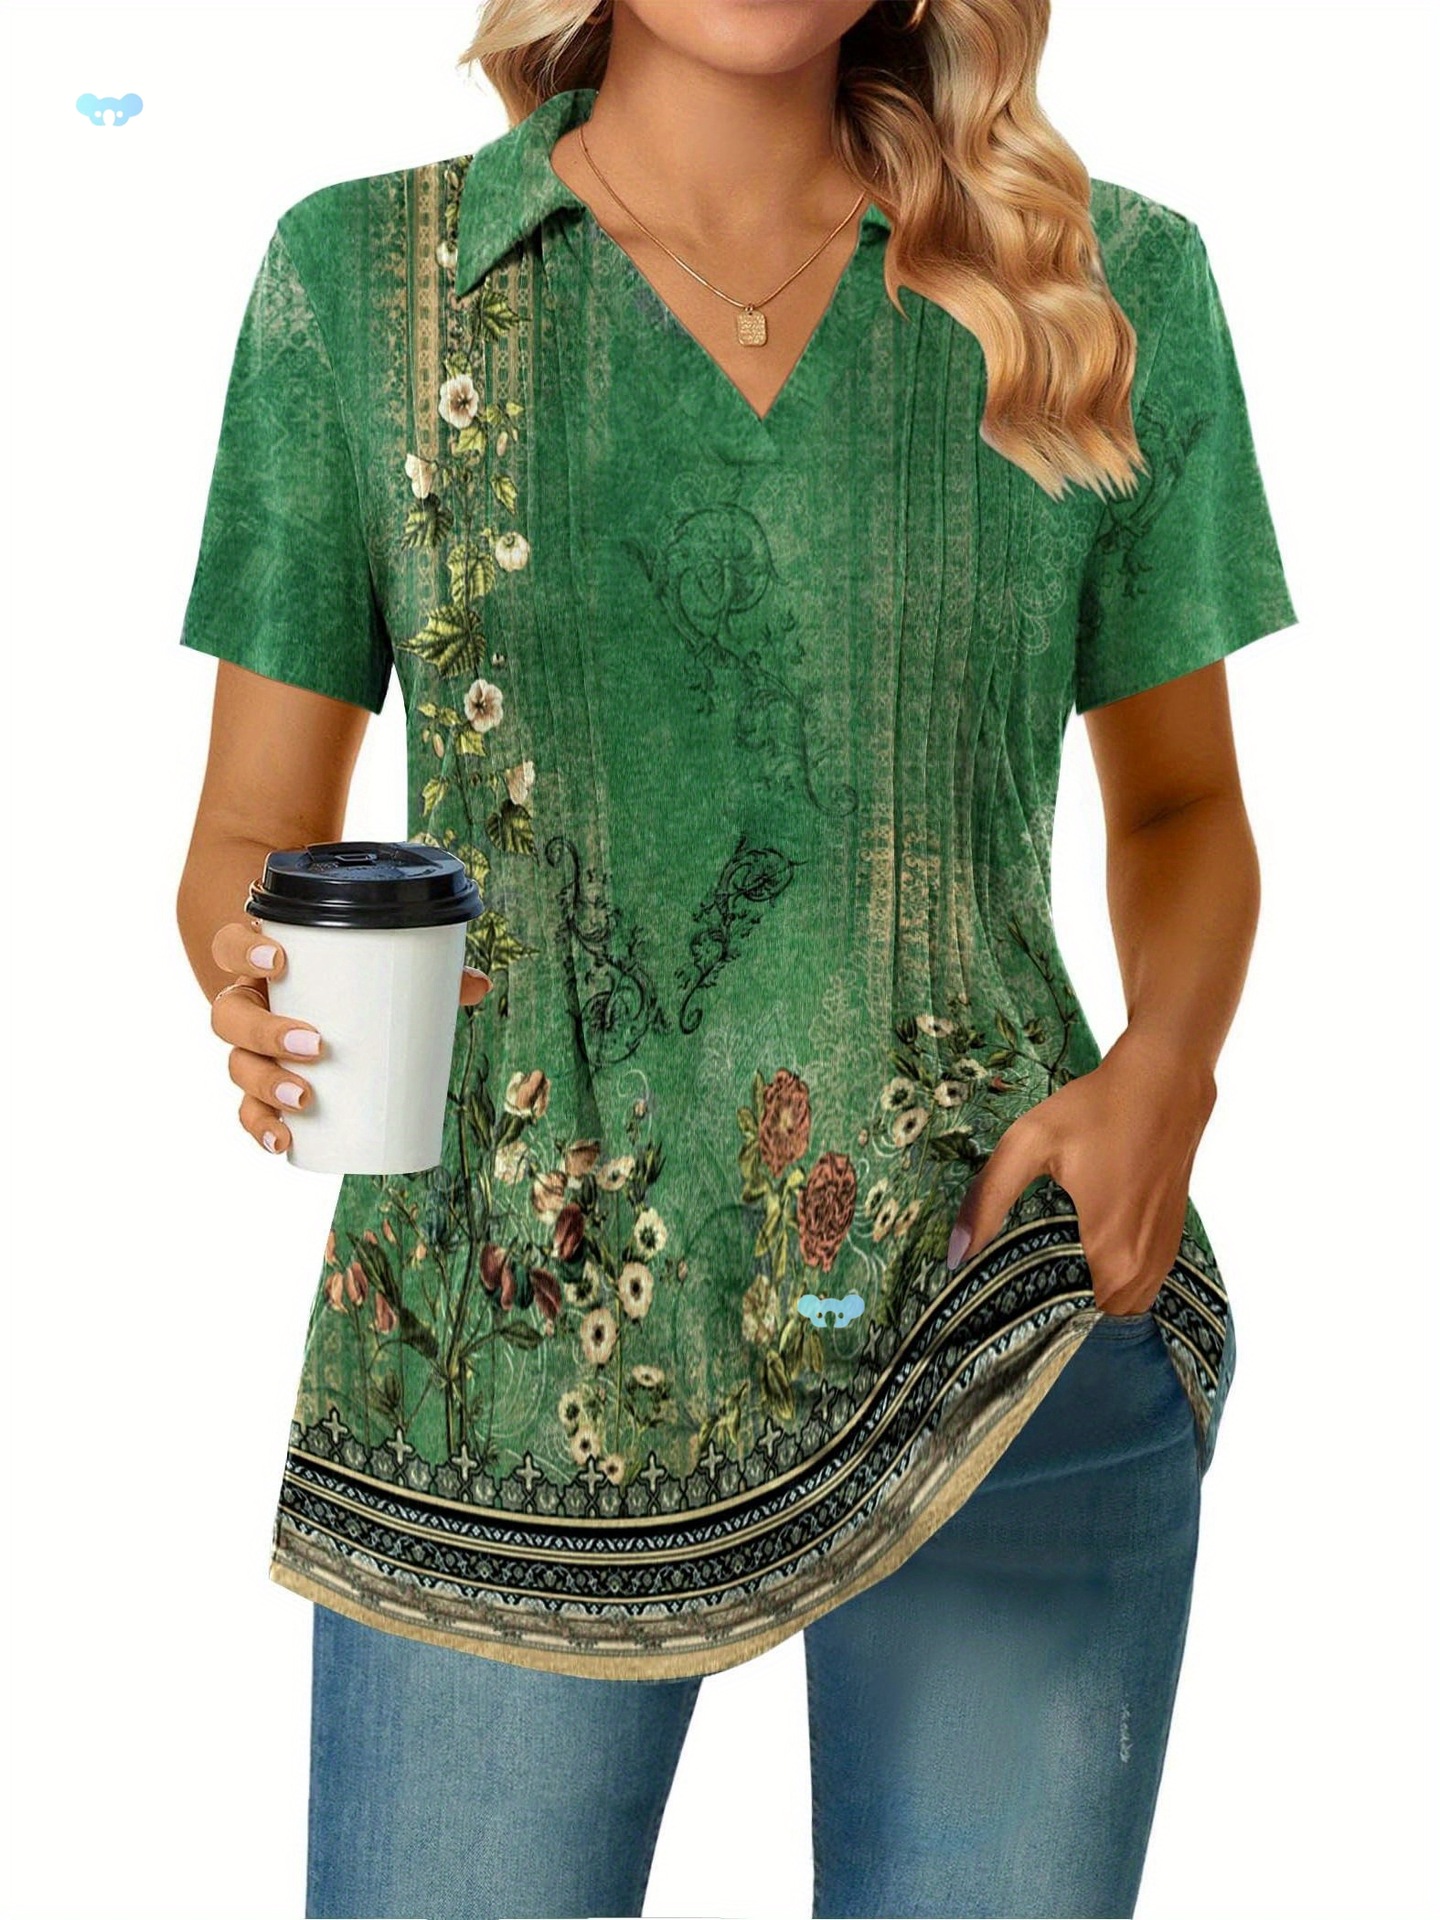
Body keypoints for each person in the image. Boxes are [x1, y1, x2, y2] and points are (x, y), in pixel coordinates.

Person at [174, 2, 1298, 1914]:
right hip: (500, 1374)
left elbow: (1184, 803)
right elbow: (249, 836)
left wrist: (1164, 1077)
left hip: (1003, 1317)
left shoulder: (1096, 286)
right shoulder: (366, 286)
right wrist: (250, 974)